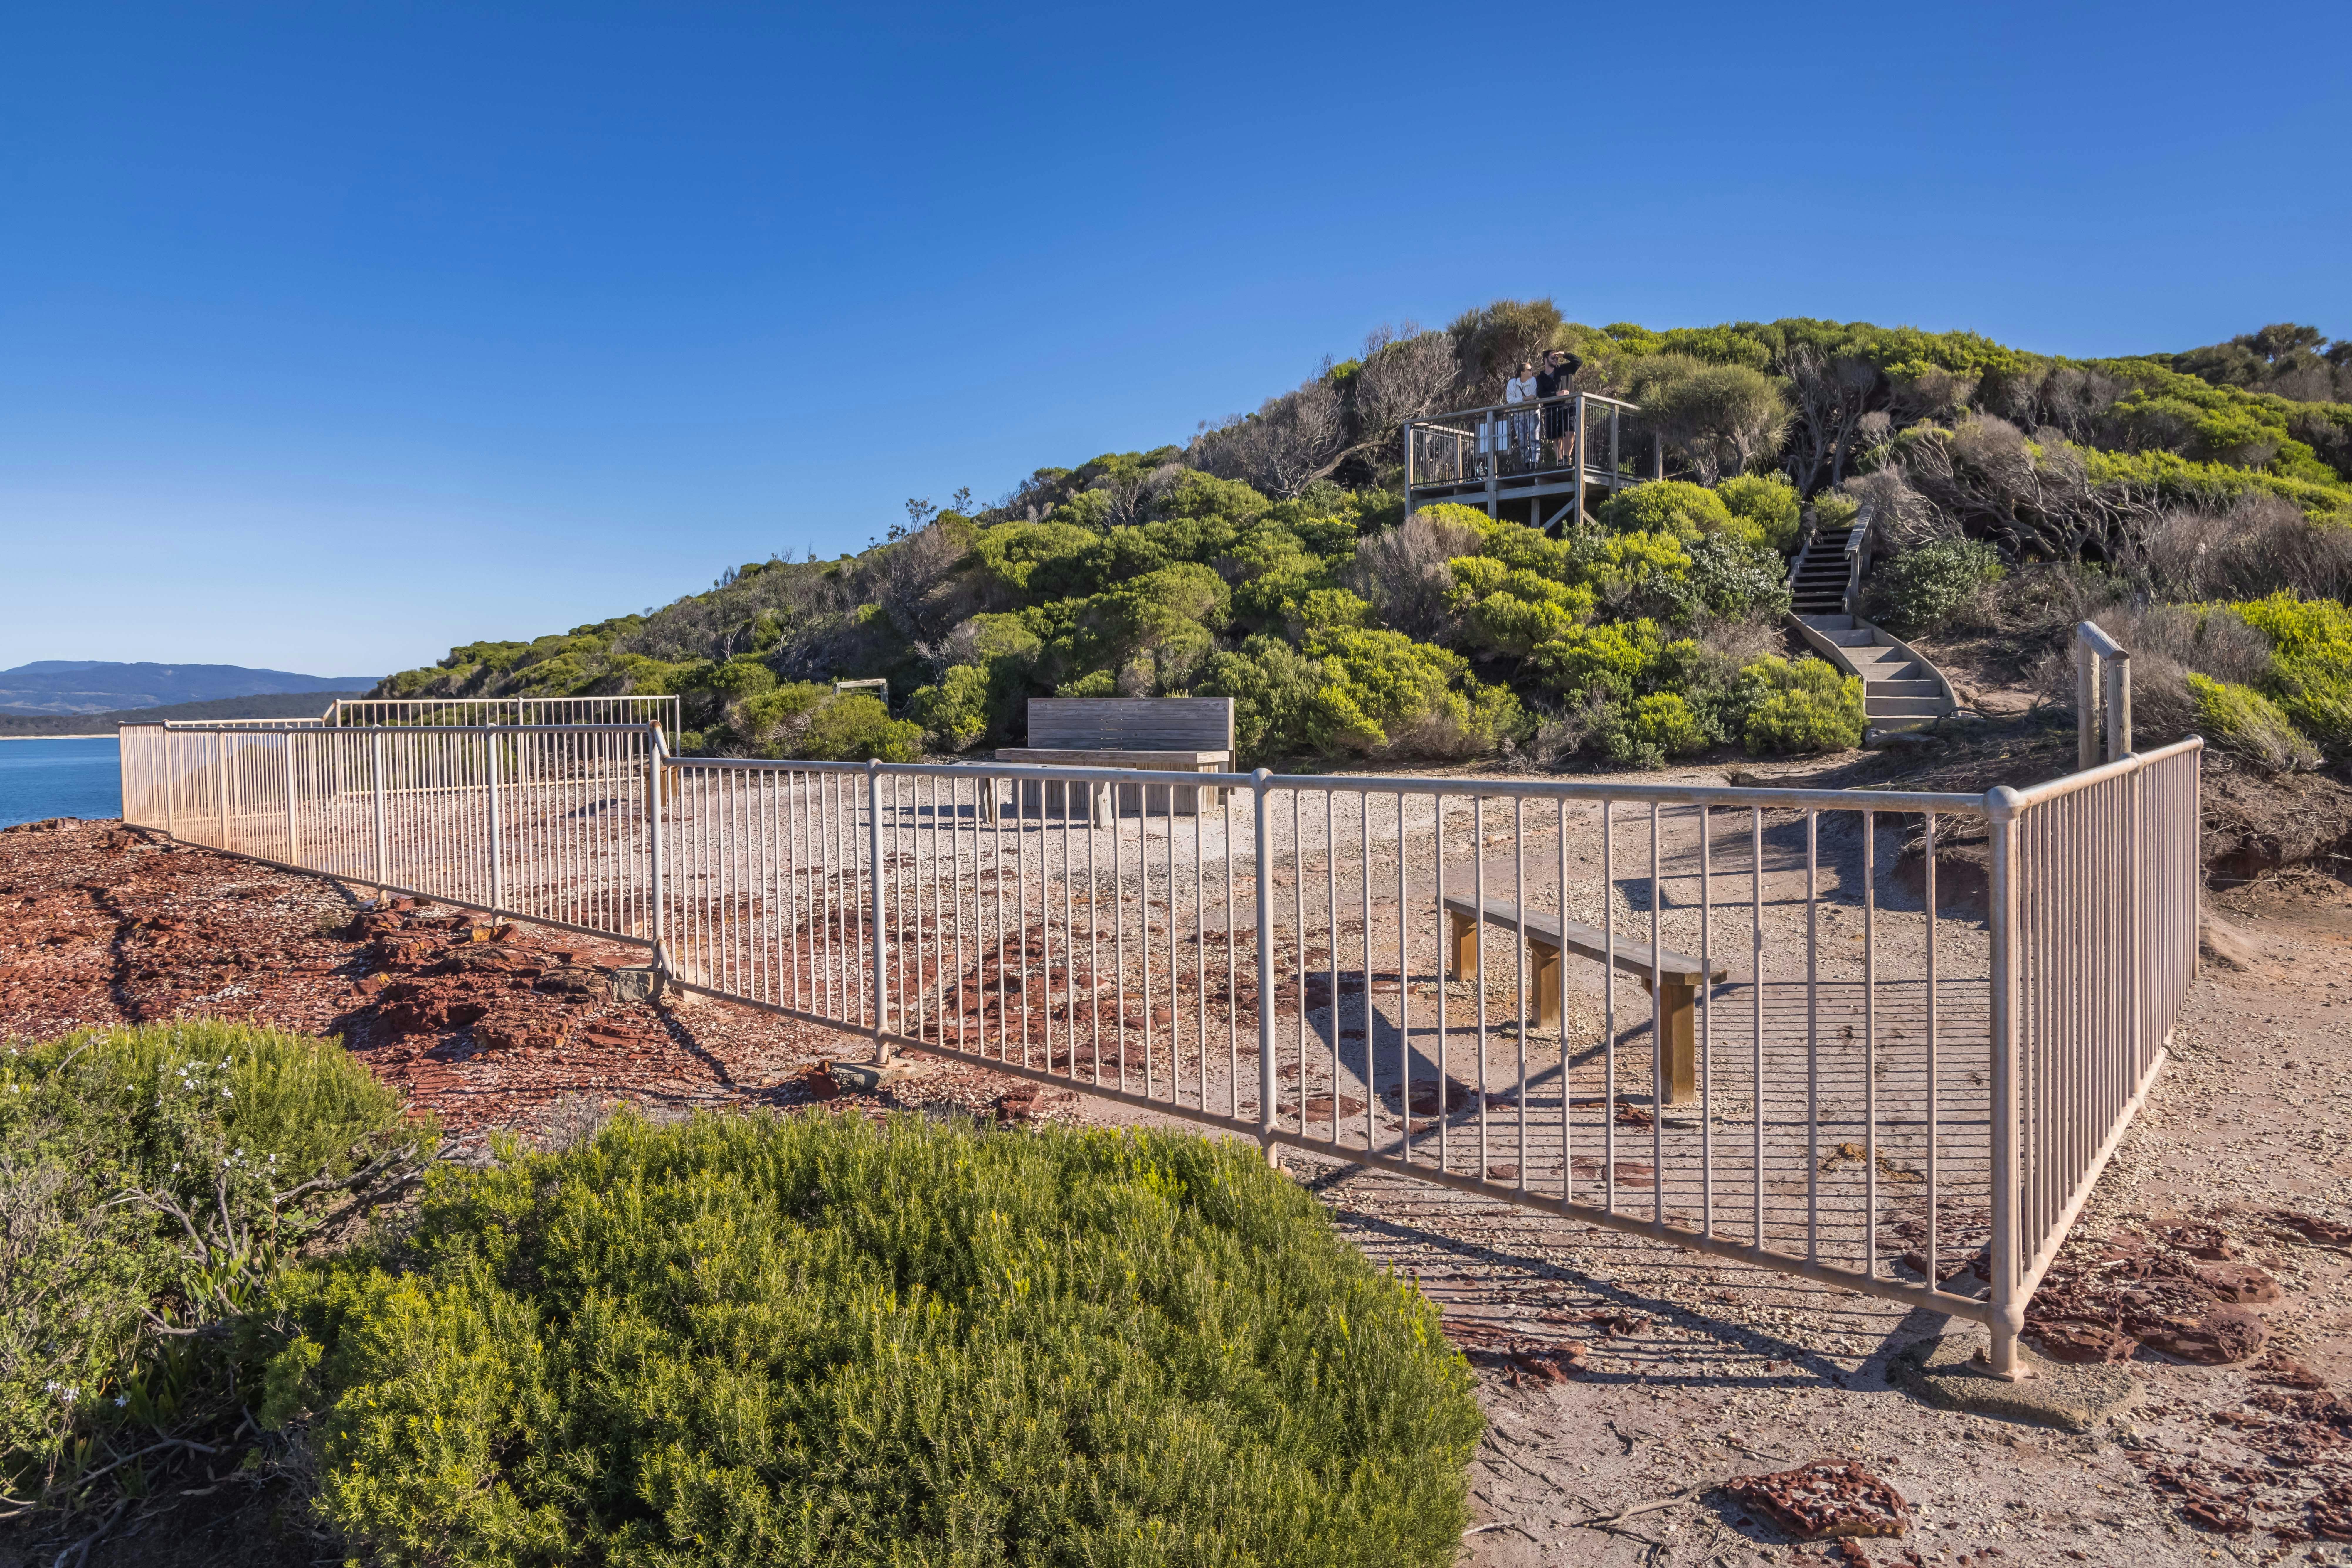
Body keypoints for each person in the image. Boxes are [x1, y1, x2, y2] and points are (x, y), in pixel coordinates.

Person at [1537, 348, 1584, 465]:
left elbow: (1579, 362)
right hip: (1552, 411)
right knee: (1557, 439)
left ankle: (1566, 459)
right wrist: (1557, 394)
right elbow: (1541, 395)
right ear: (1546, 360)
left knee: (1571, 434)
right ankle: (1560, 462)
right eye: (1553, 358)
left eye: (1557, 358)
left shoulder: (1564, 369)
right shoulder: (1541, 378)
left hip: (1569, 407)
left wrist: (1565, 355)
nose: (1556, 360)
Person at [1504, 360, 1540, 470]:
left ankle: (1535, 463)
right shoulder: (1512, 383)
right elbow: (1510, 400)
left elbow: (1533, 398)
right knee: (1522, 441)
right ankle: (1527, 463)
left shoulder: (1533, 381)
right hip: (1518, 415)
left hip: (1533, 413)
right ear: (1522, 372)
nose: (1532, 372)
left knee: (1535, 440)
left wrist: (1520, 401)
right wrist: (1524, 398)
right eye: (1529, 370)